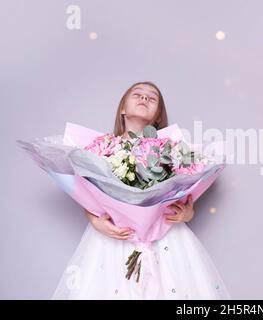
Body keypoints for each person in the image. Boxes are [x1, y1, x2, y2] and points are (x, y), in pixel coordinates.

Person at [51, 81, 231, 299]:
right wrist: (93, 218)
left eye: (152, 98)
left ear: (157, 116)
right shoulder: (101, 147)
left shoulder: (171, 150)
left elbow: (185, 199)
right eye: (137, 94)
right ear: (123, 109)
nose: (144, 98)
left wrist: (187, 213)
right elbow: (88, 192)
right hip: (115, 237)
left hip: (163, 238)